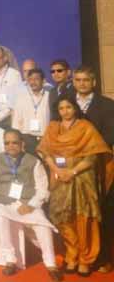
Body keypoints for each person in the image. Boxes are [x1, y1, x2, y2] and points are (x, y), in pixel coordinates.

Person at [0, 129, 61, 281]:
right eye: (7, 143)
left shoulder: (34, 161)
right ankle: (10, 260)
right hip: (3, 202)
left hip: (28, 202)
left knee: (42, 225)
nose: (10, 146)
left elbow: (42, 189)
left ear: (22, 144)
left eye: (14, 143)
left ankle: (51, 265)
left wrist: (31, 205)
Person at [37, 96, 114, 276]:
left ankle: (85, 259)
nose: (65, 111)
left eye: (69, 107)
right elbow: (45, 152)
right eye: (61, 108)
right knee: (62, 218)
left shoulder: (85, 127)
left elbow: (93, 156)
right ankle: (72, 254)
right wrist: (57, 169)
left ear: (75, 108)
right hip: (59, 178)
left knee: (83, 218)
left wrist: (72, 172)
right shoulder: (53, 128)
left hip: (82, 178)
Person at [70, 66, 114, 272]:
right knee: (76, 212)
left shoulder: (107, 105)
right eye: (78, 80)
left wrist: (89, 152)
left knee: (100, 211)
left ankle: (103, 257)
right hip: (72, 166)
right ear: (73, 82)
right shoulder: (66, 103)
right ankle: (79, 255)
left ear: (93, 82)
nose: (82, 84)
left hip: (99, 165)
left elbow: (110, 135)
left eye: (86, 80)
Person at [11, 68, 50, 154]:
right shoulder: (21, 98)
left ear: (43, 81)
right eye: (30, 79)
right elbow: (16, 123)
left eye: (36, 79)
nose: (33, 82)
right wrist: (19, 142)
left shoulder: (50, 97)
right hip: (27, 140)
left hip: (45, 139)